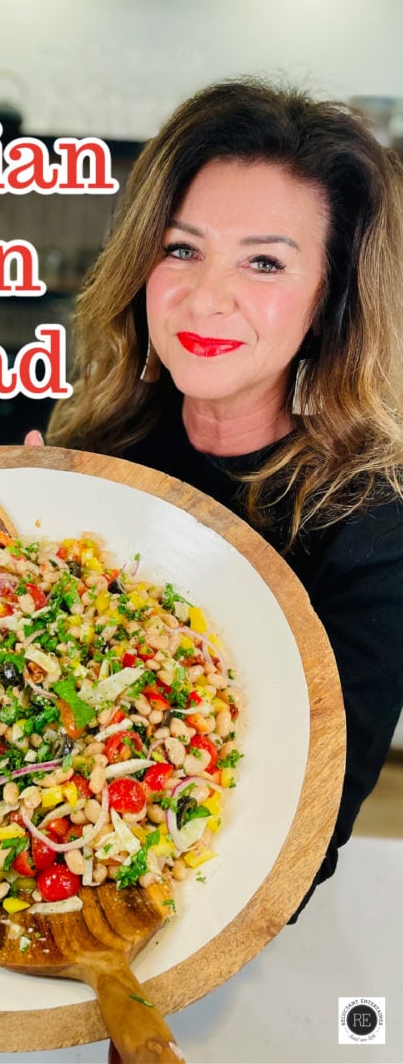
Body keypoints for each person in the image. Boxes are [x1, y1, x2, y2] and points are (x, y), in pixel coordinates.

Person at [40, 76, 403, 916]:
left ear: (329, 301)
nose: (207, 296)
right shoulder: (93, 453)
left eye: (266, 261)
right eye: (180, 248)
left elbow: (305, 840)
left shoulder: (371, 524)